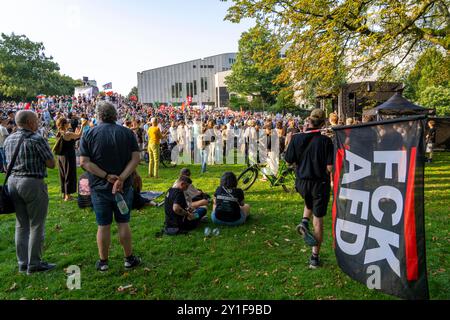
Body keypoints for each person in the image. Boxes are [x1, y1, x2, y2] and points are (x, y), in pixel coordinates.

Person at [80, 101, 141, 272]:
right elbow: (136, 159)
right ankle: (129, 258)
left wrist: (107, 177)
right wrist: (120, 178)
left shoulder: (89, 134)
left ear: (99, 115)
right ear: (115, 115)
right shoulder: (127, 133)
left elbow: (84, 163)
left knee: (103, 225)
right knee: (123, 222)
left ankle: (103, 262)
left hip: (100, 187)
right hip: (123, 187)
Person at [4, 110, 56, 274]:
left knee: (21, 224)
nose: (38, 123)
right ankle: (34, 264)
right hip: (32, 182)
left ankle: (23, 263)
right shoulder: (36, 139)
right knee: (36, 224)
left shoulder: (9, 139)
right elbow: (51, 163)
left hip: (12, 183)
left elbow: (6, 165)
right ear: (29, 122)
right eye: (36, 120)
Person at [285, 109, 333, 268]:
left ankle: (304, 222)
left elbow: (288, 160)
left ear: (309, 121)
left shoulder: (296, 138)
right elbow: (330, 168)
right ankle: (314, 258)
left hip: (301, 184)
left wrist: (290, 143)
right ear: (323, 123)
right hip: (319, 183)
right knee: (318, 220)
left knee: (309, 201)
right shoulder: (326, 142)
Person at [55, 117, 85, 201]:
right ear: (64, 124)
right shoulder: (67, 134)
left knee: (63, 174)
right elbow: (79, 135)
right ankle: (68, 196)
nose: (69, 123)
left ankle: (65, 194)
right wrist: (82, 125)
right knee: (69, 174)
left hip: (61, 156)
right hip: (68, 156)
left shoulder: (59, 133)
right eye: (67, 122)